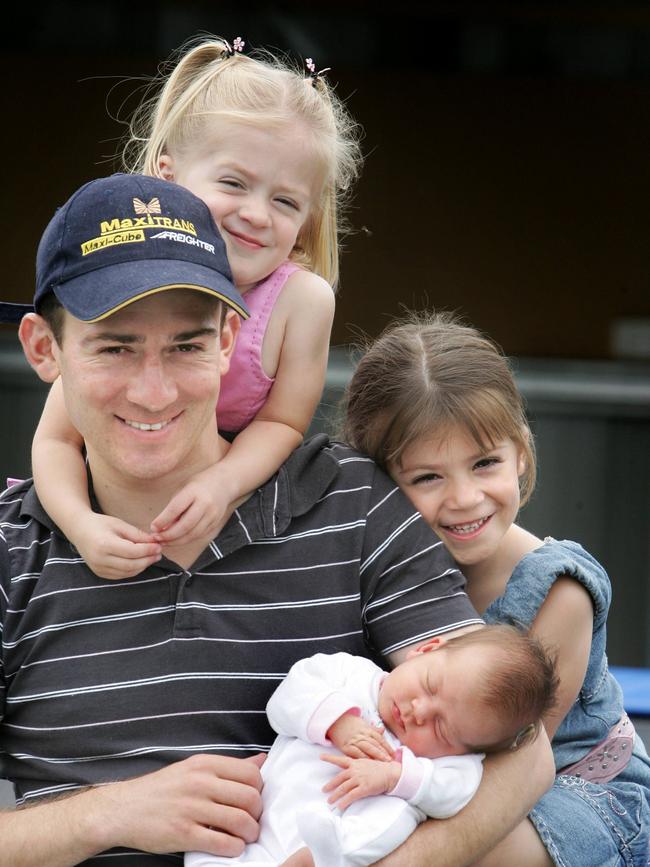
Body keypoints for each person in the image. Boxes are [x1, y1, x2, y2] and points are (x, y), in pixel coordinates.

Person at [0, 173, 554, 866]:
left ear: (231, 338)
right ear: (44, 348)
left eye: (186, 345)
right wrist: (109, 813)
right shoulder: (9, 551)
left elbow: (520, 752)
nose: (154, 388)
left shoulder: (351, 504)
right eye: (114, 347)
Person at [29, 35, 362, 580]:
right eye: (234, 183)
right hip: (122, 505)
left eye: (285, 201)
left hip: (240, 507)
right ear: (168, 176)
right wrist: (82, 526)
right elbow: (56, 438)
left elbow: (282, 422)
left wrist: (222, 483)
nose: (256, 214)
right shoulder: (118, 282)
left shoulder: (303, 300)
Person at [341, 310, 650, 867]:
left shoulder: (558, 589)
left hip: (572, 786)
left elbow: (517, 765)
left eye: (485, 464)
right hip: (423, 770)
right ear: (378, 482)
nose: (464, 498)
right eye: (427, 477)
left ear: (522, 453)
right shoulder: (368, 570)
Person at [187, 625, 558, 867]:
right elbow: (287, 698)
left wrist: (395, 777)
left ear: (466, 750)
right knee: (208, 844)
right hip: (262, 819)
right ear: (425, 649)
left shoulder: (445, 763)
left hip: (336, 840)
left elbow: (454, 793)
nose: (418, 711)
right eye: (429, 685)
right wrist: (340, 723)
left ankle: (326, 858)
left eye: (442, 728)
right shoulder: (351, 674)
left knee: (388, 823)